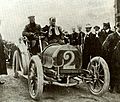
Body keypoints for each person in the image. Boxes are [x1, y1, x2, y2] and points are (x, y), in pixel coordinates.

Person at [102, 22, 120, 93]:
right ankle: (111, 87)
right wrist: (109, 53)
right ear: (117, 28)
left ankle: (118, 88)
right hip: (112, 58)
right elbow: (104, 46)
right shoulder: (111, 36)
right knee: (113, 72)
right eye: (119, 27)